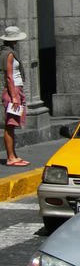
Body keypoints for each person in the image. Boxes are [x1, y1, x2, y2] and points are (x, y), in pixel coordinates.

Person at [1, 26, 30, 166]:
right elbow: (9, 77)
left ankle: (14, 155)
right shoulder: (9, 54)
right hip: (13, 90)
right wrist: (14, 97)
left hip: (15, 89)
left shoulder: (7, 52)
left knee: (12, 124)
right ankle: (11, 157)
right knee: (10, 125)